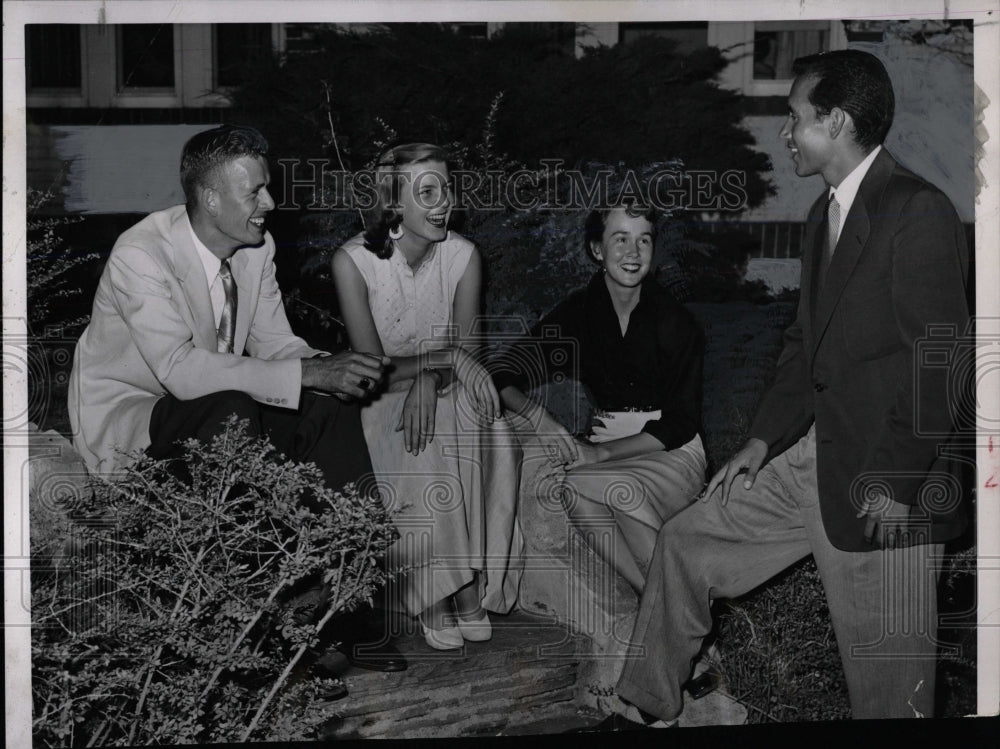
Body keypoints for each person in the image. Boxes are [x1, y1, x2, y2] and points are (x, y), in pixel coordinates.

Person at [589, 50, 970, 730]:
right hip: (813, 457)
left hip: (887, 482)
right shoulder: (823, 216)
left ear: (838, 120)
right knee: (686, 541)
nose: (786, 134)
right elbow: (805, 352)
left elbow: (941, 358)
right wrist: (761, 440)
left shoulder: (917, 209)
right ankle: (647, 703)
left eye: (795, 118)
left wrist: (894, 479)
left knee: (887, 703)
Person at [68, 124, 407, 673]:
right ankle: (253, 633)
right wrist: (307, 374)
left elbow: (276, 345)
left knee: (325, 403)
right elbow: (179, 371)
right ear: (209, 197)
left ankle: (345, 611)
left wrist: (329, 368)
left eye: (266, 188)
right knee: (235, 408)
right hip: (136, 415)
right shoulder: (141, 254)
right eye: (255, 192)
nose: (270, 203)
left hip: (217, 404)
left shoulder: (254, 249)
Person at [331, 142, 523, 650]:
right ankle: (440, 593)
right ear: (394, 204)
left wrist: (434, 373)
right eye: (428, 192)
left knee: (483, 416)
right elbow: (370, 369)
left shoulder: (463, 256)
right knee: (421, 431)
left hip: (441, 389)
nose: (444, 202)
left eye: (446, 188)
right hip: (375, 402)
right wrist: (444, 360)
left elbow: (469, 357)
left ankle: (465, 581)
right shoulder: (352, 263)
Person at [490, 203, 707, 593]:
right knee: (575, 491)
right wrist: (540, 418)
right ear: (596, 249)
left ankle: (676, 609)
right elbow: (503, 373)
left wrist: (601, 454)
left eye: (643, 240)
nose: (633, 252)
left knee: (614, 489)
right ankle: (666, 605)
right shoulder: (578, 314)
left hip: (670, 451)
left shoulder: (677, 321)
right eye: (619, 239)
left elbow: (682, 421)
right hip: (607, 443)